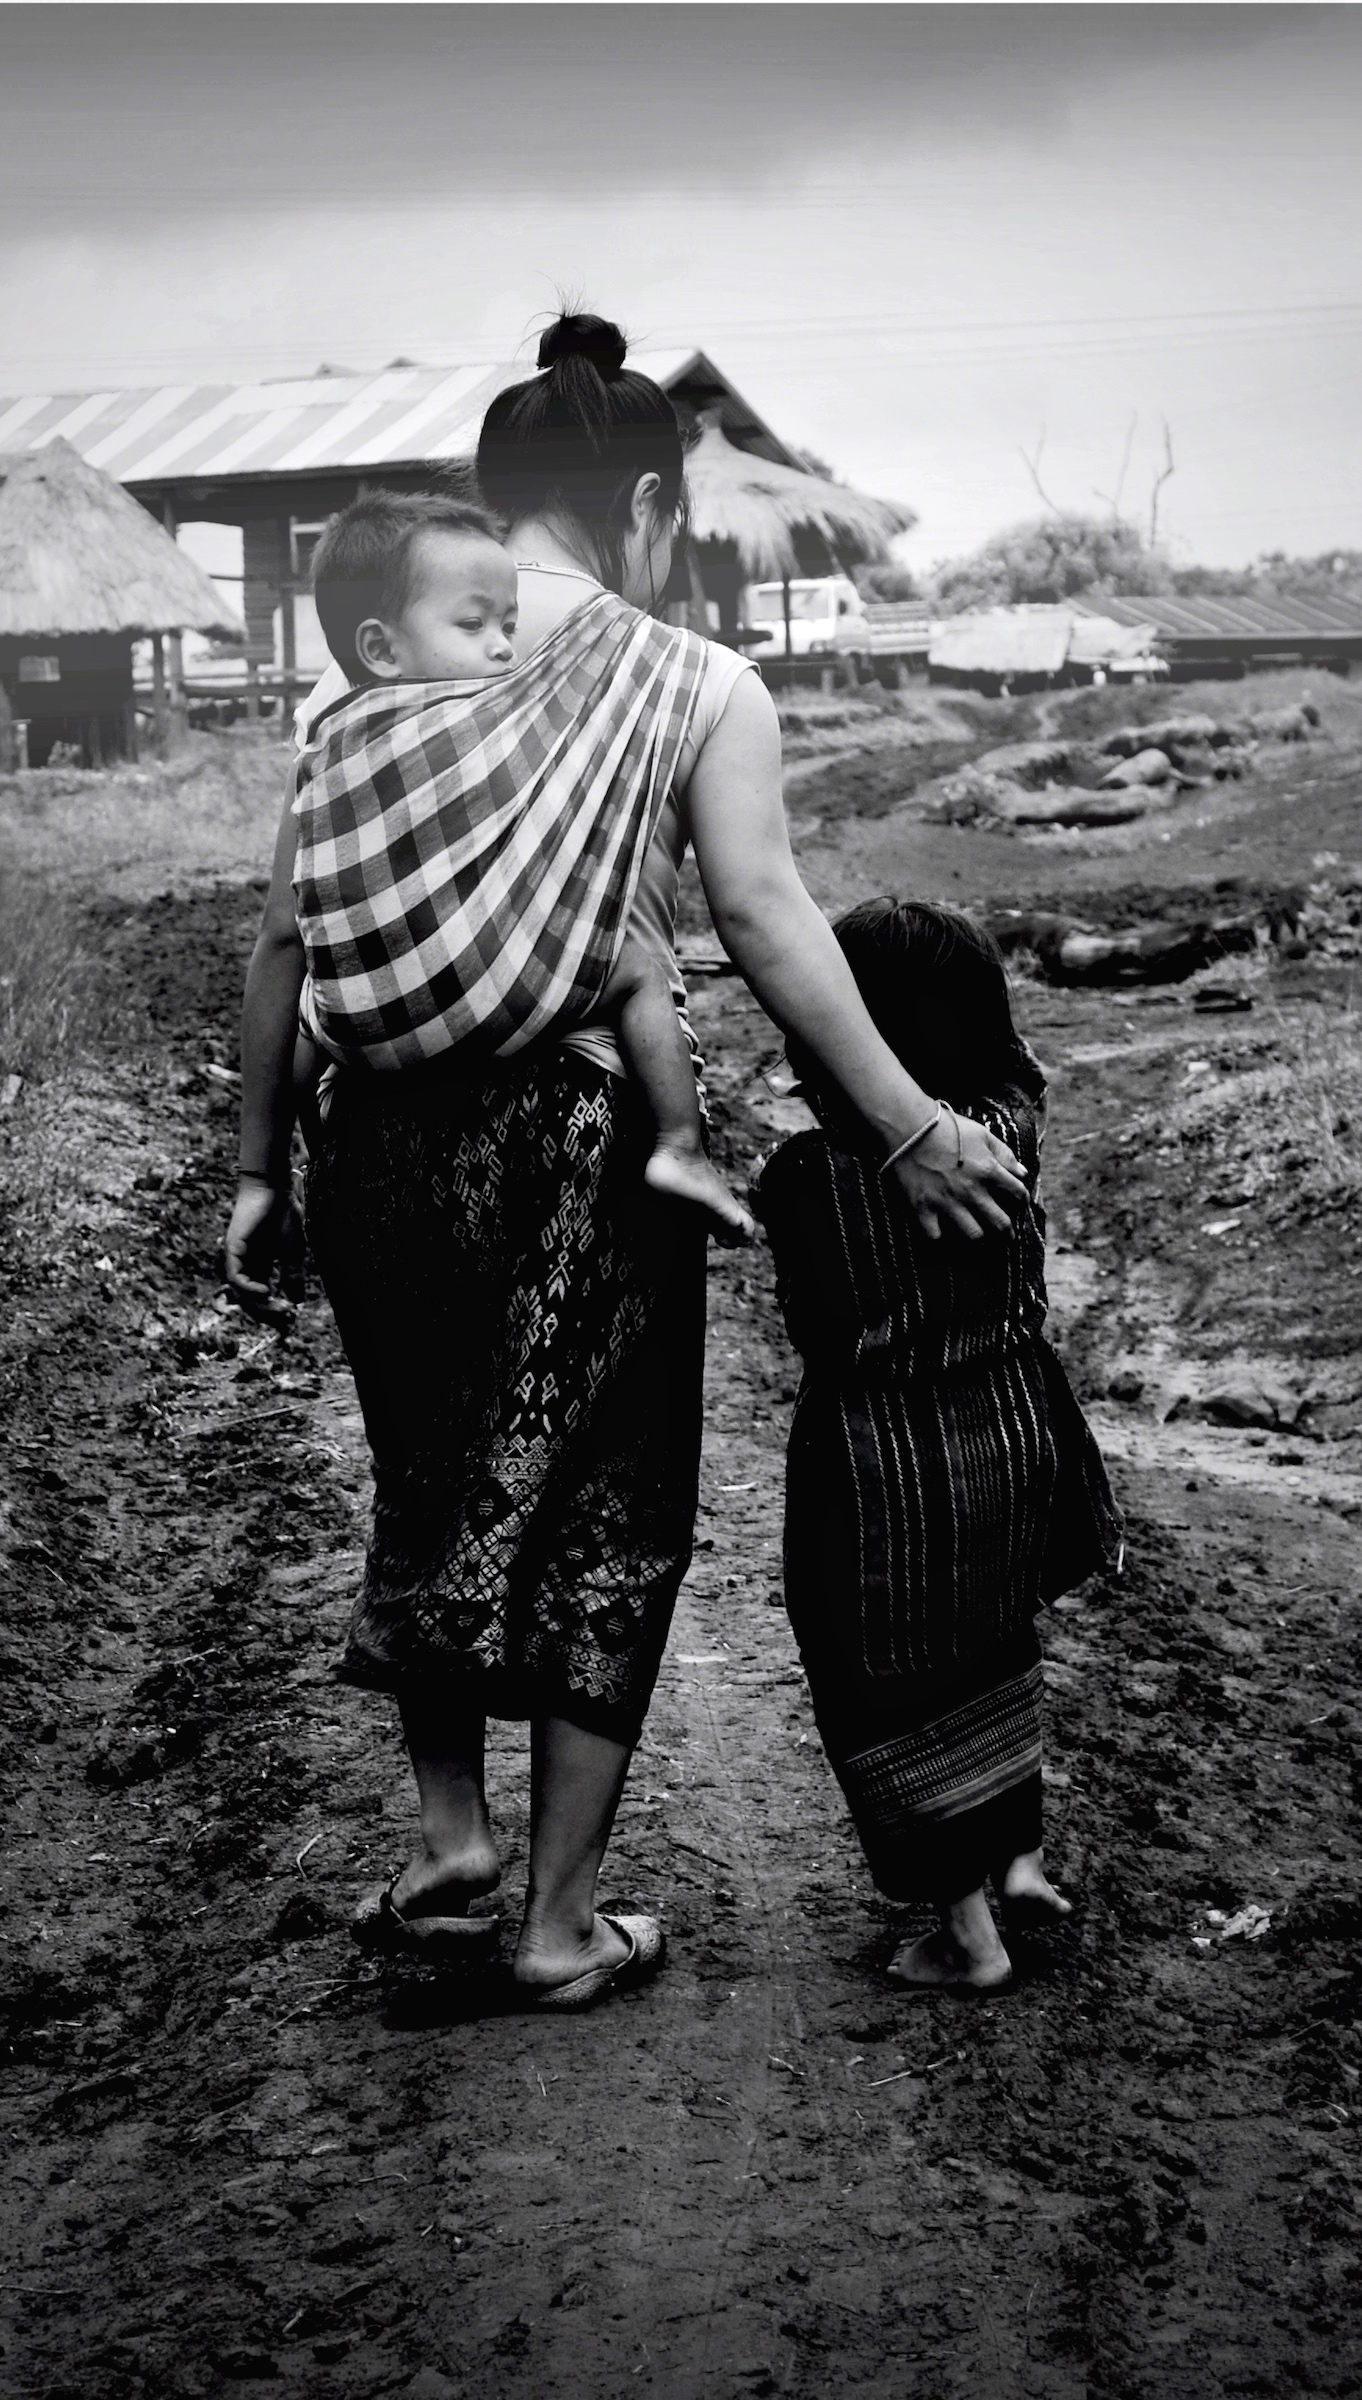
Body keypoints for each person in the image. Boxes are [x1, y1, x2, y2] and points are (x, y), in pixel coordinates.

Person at [224, 312, 1028, 2013]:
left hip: (373, 1144)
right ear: (652, 506)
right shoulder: (691, 679)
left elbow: (288, 933)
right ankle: (558, 1922)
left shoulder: (363, 671)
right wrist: (906, 1122)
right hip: (579, 1145)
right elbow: (761, 916)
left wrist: (260, 1170)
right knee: (611, 1508)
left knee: (427, 1474)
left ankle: (450, 1841)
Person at [755, 898, 1122, 1994]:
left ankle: (965, 1932)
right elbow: (1021, 1066)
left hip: (882, 1463)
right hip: (1015, 1433)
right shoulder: (1013, 1127)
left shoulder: (807, 1176)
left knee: (886, 1677)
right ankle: (1019, 1863)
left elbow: (812, 1321)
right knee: (995, 1643)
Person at [292, 491, 752, 1240]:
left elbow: (307, 907)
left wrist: (254, 1173)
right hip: (477, 1000)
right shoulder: (490, 725)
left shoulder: (327, 739)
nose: (506, 648)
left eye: (507, 625)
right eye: (474, 626)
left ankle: (292, 1150)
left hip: (360, 1027)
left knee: (313, 993)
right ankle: (680, 1146)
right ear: (380, 648)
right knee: (636, 966)